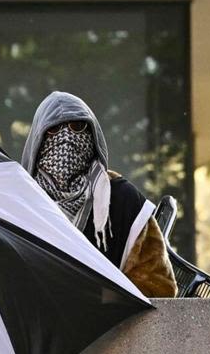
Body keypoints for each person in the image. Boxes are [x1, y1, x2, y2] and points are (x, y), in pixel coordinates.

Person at [21, 91, 176, 297]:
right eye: (54, 129)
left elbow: (160, 286)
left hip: (109, 325)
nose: (66, 138)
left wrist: (100, 298)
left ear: (92, 137)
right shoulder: (20, 203)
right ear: (38, 140)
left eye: (77, 127)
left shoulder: (123, 200)